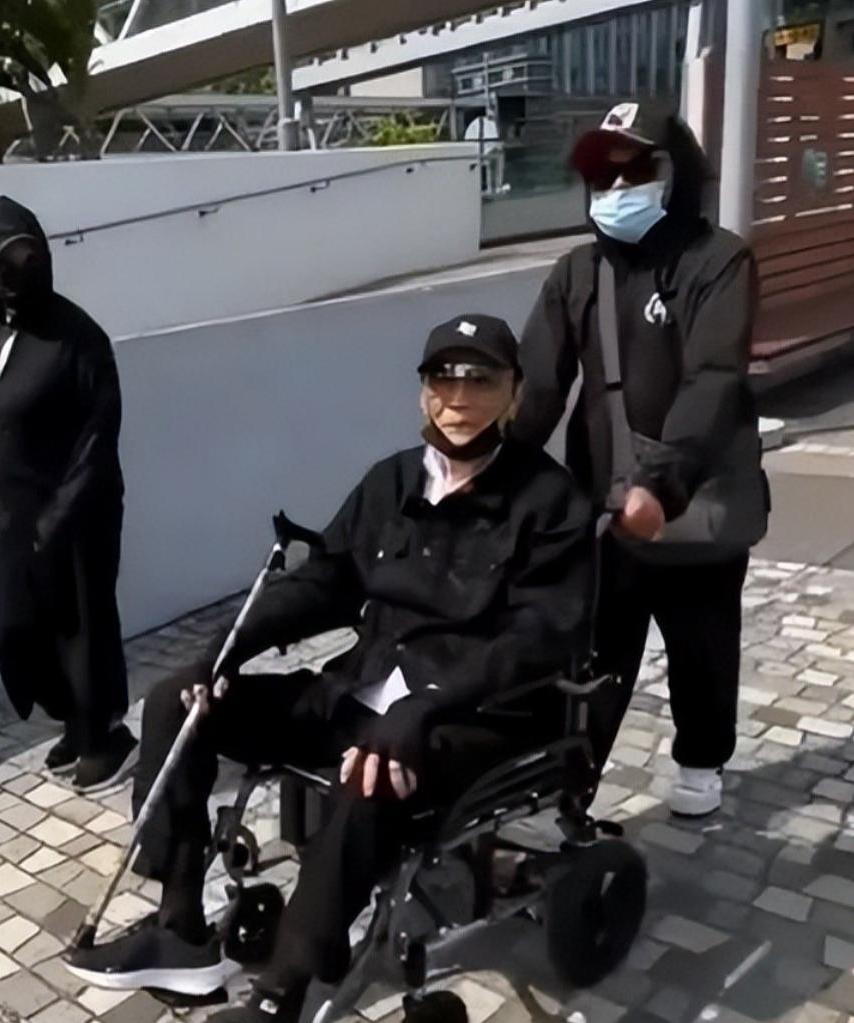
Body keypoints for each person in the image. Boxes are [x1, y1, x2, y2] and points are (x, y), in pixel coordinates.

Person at [67, 315, 593, 1022]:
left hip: (470, 715)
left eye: (482, 380)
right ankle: (181, 926)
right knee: (175, 702)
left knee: (368, 772)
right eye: (444, 378)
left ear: (515, 392)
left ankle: (282, 991)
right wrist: (224, 650)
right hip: (359, 688)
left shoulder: (549, 501)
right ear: (422, 391)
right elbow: (323, 583)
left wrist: (424, 707)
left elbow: (540, 637)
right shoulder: (390, 482)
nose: (460, 397)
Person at [511, 102, 769, 818]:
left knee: (701, 644)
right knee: (595, 652)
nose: (616, 188)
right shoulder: (576, 271)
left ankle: (701, 759)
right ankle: (572, 783)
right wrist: (491, 468)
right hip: (603, 508)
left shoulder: (718, 261)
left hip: (696, 500)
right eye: (603, 176)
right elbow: (536, 385)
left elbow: (712, 378)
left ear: (675, 173)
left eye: (636, 170)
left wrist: (661, 482)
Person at [0, 196, 136, 793]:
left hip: (77, 519)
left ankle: (103, 737)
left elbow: (98, 439)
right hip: (15, 519)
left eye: (28, 256)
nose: (19, 270)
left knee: (79, 633)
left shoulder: (80, 339)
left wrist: (57, 521)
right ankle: (73, 720)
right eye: (6, 260)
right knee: (15, 632)